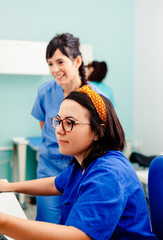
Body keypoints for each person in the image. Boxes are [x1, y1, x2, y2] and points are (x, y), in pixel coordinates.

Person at [0, 85, 156, 240]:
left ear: (98, 132)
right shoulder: (85, 163)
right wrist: (7, 186)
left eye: (70, 123)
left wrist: (0, 223)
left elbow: (79, 236)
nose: (59, 130)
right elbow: (54, 183)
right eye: (58, 120)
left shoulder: (108, 174)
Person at [30, 33, 105, 223]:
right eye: (50, 63)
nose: (55, 69)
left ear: (77, 61)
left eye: (60, 62)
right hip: (49, 168)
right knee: (46, 228)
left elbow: (102, 139)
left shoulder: (96, 97)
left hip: (81, 171)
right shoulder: (45, 92)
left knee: (75, 226)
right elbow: (46, 127)